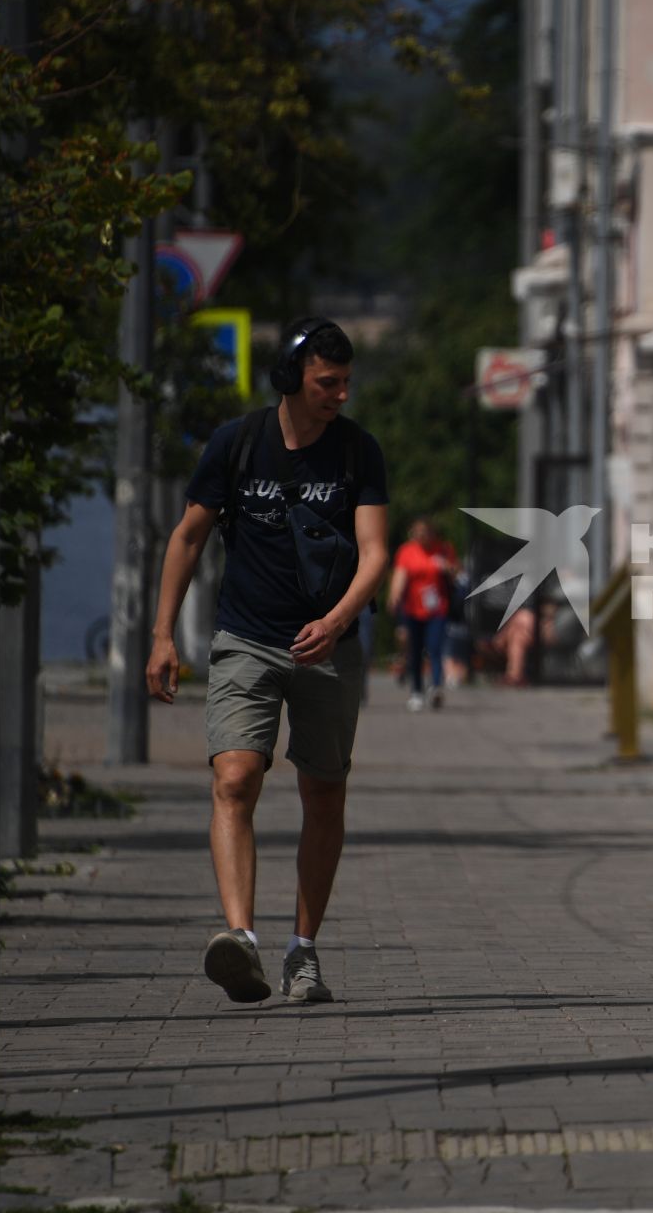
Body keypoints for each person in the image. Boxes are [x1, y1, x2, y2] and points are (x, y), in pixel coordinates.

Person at [146, 318, 389, 1005]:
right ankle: (241, 942)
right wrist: (163, 634)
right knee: (235, 779)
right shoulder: (237, 443)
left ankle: (302, 953)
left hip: (329, 648)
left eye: (345, 383)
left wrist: (338, 620)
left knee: (323, 792)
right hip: (247, 637)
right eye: (325, 383)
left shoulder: (356, 453)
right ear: (290, 378)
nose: (339, 395)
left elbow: (375, 554)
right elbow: (189, 537)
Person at [387, 518, 450, 711]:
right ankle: (416, 691)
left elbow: (458, 574)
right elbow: (400, 574)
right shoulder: (407, 551)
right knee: (414, 651)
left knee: (435, 647)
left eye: (426, 532)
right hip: (412, 609)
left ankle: (436, 687)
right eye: (418, 532)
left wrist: (447, 567)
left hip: (437, 609)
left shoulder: (443, 549)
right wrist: (394, 595)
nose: (422, 536)